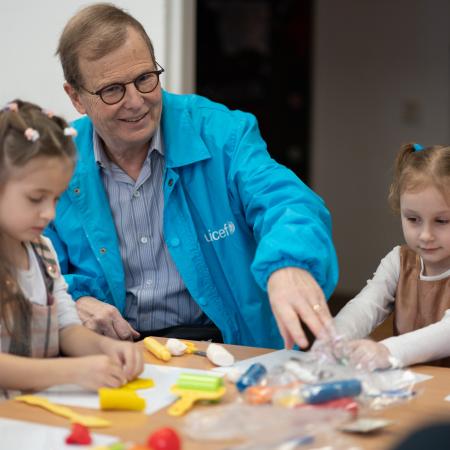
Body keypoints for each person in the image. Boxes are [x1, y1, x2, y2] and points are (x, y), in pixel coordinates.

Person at [47, 3, 338, 349]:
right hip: (114, 351)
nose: (136, 102)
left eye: (144, 78)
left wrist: (289, 264)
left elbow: (287, 201)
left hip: (220, 346)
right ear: (76, 97)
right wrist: (74, 303)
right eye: (113, 90)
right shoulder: (57, 162)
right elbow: (33, 264)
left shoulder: (221, 133)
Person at [0, 100, 143, 399]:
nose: (49, 214)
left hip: (36, 419)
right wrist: (74, 372)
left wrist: (106, 348)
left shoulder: (43, 252)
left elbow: (66, 328)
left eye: (55, 199)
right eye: (36, 198)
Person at [333, 143, 450, 368]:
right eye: (413, 219)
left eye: (442, 221)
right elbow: (366, 305)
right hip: (412, 387)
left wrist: (386, 351)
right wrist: (337, 336)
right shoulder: (399, 261)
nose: (425, 235)